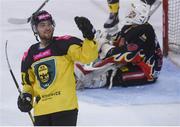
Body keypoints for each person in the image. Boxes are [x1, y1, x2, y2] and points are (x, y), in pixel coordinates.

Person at [17, 10, 98, 126]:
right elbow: (27, 84)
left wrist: (89, 37)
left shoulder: (64, 43)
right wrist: (26, 97)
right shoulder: (30, 53)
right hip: (41, 112)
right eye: (42, 25)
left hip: (65, 108)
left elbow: (87, 57)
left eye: (49, 24)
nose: (47, 28)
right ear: (35, 29)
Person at [76, 1, 163, 89]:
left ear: (139, 16)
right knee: (106, 48)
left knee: (112, 75)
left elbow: (127, 54)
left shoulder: (145, 32)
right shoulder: (131, 26)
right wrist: (98, 39)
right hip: (134, 61)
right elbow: (116, 40)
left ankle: (87, 82)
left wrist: (108, 51)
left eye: (132, 13)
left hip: (146, 71)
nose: (129, 14)